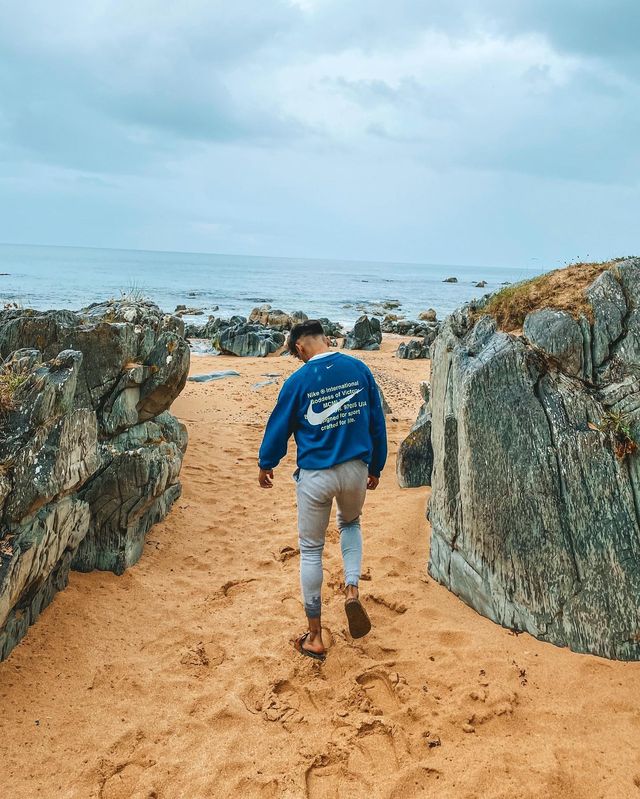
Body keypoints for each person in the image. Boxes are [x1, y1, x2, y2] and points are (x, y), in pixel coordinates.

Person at [257, 319, 387, 661]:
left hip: (316, 475)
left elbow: (280, 425)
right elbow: (377, 423)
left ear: (300, 348)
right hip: (355, 469)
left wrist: (266, 462)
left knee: (311, 550)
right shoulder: (359, 369)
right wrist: (377, 467)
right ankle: (352, 590)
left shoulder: (298, 381)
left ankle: (315, 637)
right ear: (326, 339)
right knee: (351, 524)